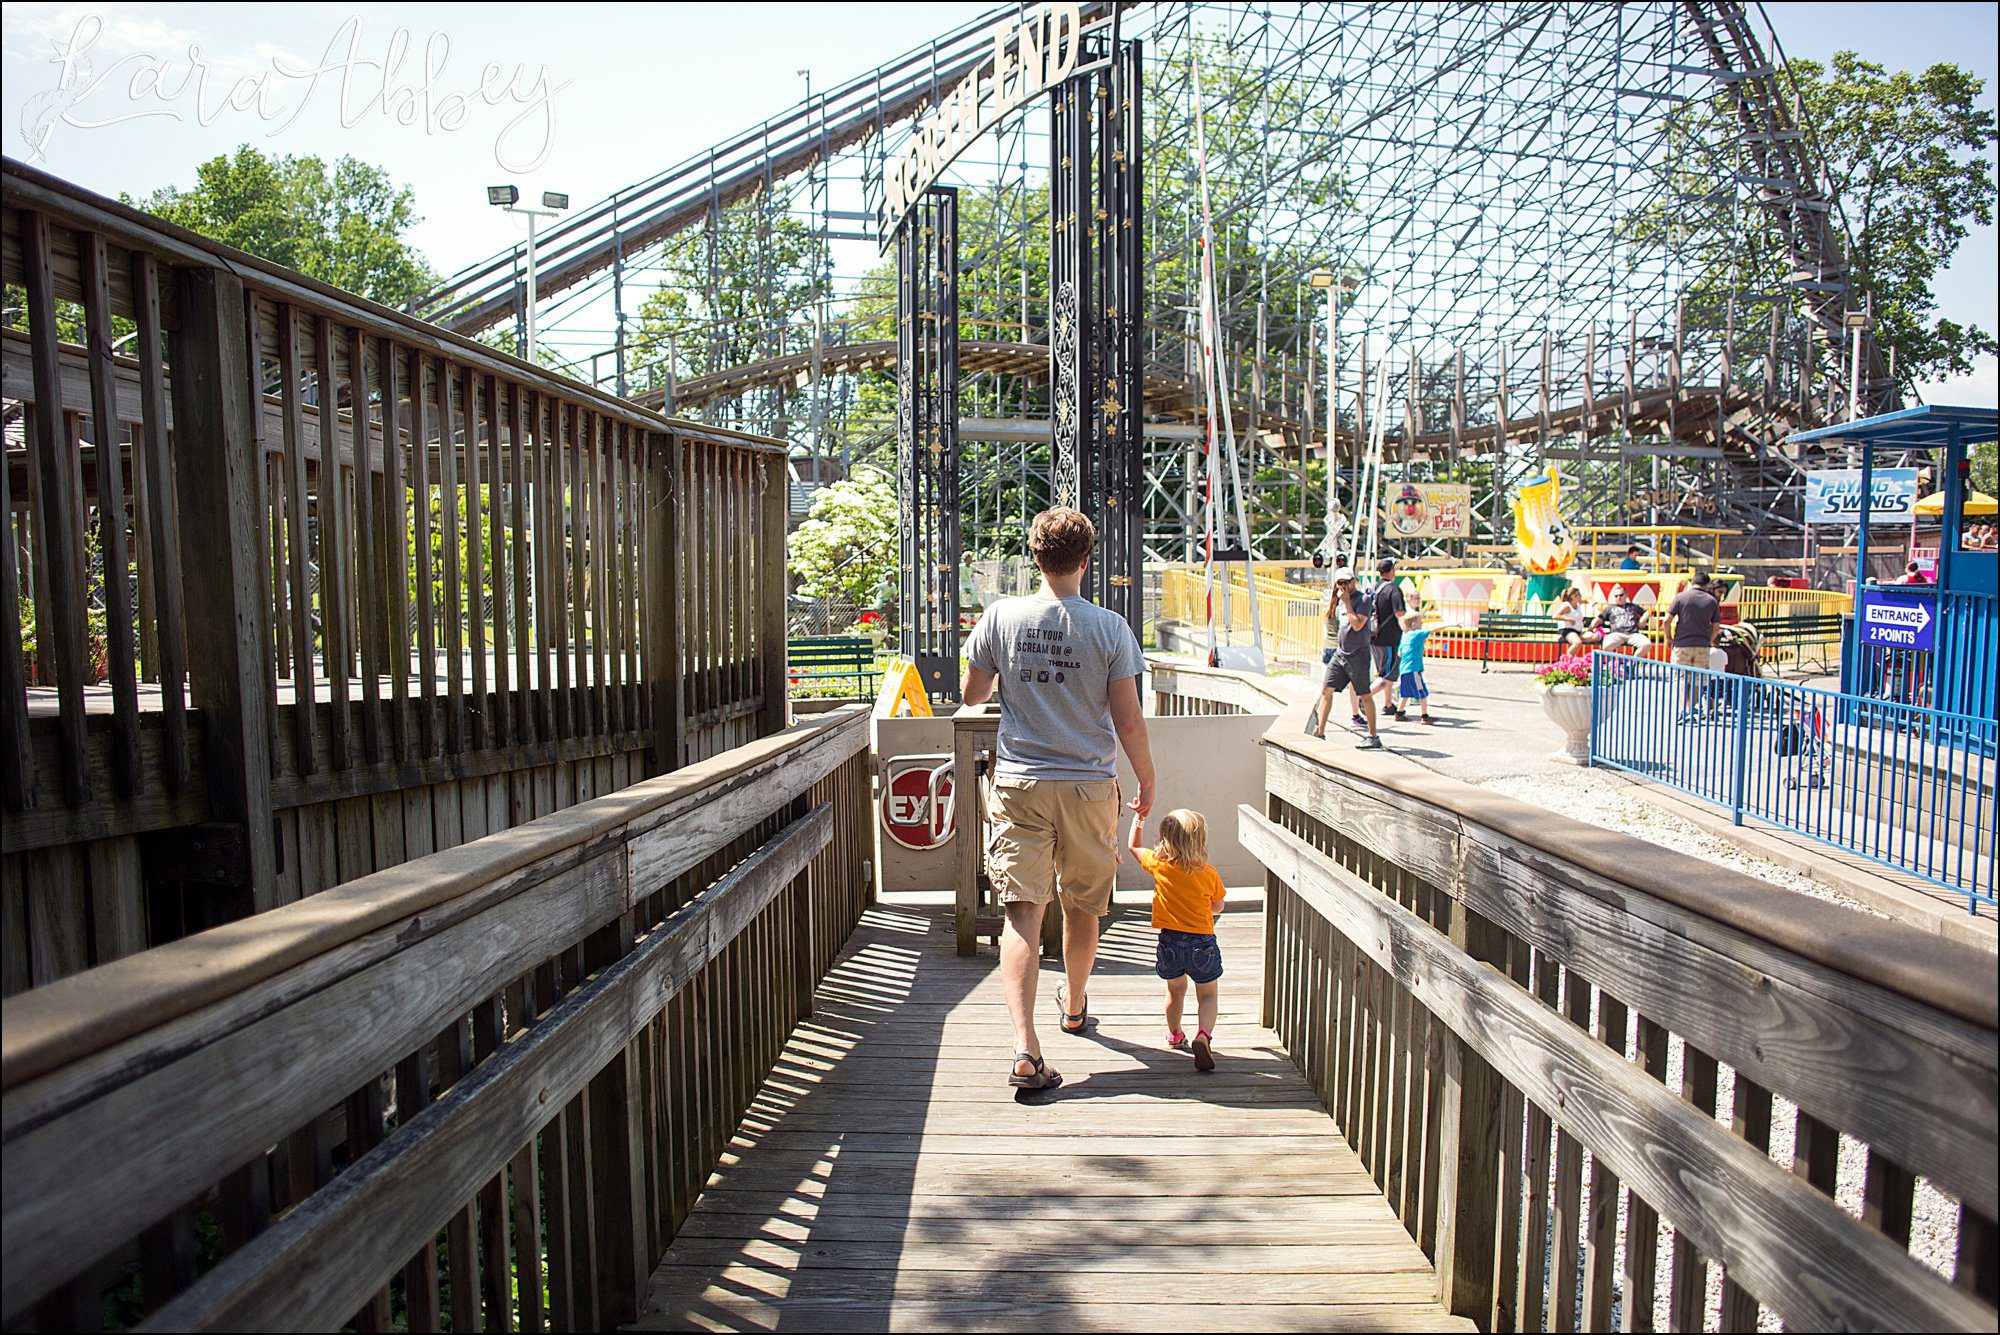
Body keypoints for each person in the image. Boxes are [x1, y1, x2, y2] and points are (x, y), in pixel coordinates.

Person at [963, 506, 1157, 1092]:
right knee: (1082, 907)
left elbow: (973, 696)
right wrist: (1147, 783)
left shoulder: (1001, 616)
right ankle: (1073, 1007)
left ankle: (1025, 1048)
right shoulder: (1110, 628)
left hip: (1020, 780)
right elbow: (1128, 721)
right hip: (1089, 785)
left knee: (1022, 913)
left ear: (1035, 557)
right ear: (1087, 560)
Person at [1128, 807, 1227, 1072]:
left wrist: (1139, 817)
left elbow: (1134, 846)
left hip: (1170, 942)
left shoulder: (1159, 865)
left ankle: (1175, 1035)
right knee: (1207, 995)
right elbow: (1218, 906)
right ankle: (1203, 1035)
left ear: (1165, 840)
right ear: (1200, 841)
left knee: (1175, 990)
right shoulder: (1208, 874)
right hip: (1202, 943)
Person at [1310, 566, 1383, 749]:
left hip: (1358, 653)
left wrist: (1348, 602)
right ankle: (1320, 732)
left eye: (1346, 582)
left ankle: (1373, 736)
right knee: (1326, 689)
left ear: (1354, 581)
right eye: (1340, 583)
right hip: (1340, 652)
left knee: (1364, 694)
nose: (1344, 587)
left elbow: (1358, 625)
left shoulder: (1363, 599)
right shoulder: (1340, 600)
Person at [1666, 570, 1723, 719]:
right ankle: (1692, 707)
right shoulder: (1712, 601)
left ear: (1692, 583)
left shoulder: (1681, 597)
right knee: (1698, 678)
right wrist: (1709, 640)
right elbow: (1716, 628)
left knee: (1681, 677)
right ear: (1707, 585)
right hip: (1702, 645)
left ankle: (1683, 708)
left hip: (1681, 644)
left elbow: (1666, 621)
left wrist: (1668, 638)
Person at [1369, 558, 1408, 719]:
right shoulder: (1393, 589)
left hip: (1373, 636)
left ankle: (1388, 704)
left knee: (1383, 671)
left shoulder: (1373, 588)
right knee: (1389, 674)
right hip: (1389, 638)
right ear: (1392, 571)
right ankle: (1363, 697)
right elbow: (1400, 613)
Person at [1395, 609, 1435, 724]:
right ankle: (1425, 716)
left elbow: (1400, 653)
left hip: (1404, 669)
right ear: (1413, 624)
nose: (1422, 624)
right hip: (1413, 669)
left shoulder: (1405, 636)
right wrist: (1452, 625)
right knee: (1422, 692)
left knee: (1406, 692)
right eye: (1420, 622)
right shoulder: (1417, 634)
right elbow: (1433, 630)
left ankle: (1399, 713)